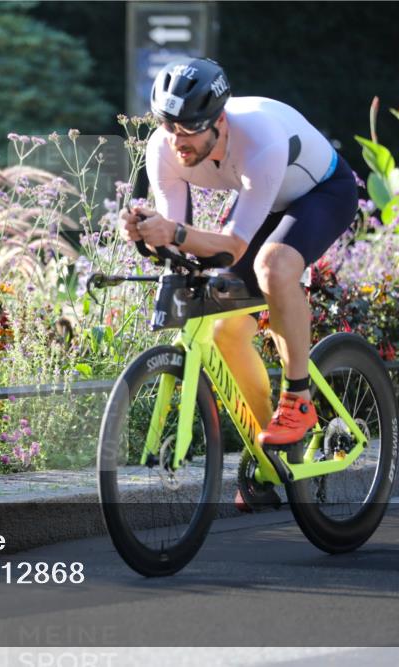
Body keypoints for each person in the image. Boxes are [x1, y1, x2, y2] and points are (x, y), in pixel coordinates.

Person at [121, 57, 358, 454]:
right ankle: (273, 456)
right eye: (168, 125)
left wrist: (173, 231)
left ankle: (298, 398)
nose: (178, 140)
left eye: (190, 129)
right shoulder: (164, 149)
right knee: (226, 332)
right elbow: (177, 238)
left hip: (322, 193)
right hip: (263, 200)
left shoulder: (258, 137)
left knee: (274, 266)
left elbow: (233, 245)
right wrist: (147, 236)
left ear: (220, 121)